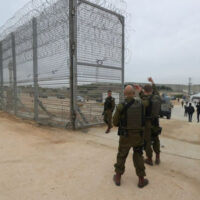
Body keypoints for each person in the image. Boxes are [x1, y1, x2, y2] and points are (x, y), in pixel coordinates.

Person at [113, 85, 149, 188]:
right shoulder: (142, 104)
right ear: (134, 94)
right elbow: (147, 101)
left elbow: (115, 123)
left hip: (125, 136)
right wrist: (141, 91)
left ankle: (118, 178)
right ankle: (141, 180)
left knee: (121, 155)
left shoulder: (121, 106)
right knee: (138, 156)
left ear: (124, 93)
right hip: (138, 137)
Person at [139, 78, 161, 166]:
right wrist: (153, 82)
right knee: (156, 139)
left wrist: (140, 91)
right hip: (156, 121)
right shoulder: (157, 98)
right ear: (151, 90)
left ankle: (149, 159)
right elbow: (156, 91)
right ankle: (158, 157)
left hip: (147, 123)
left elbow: (143, 97)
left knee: (147, 141)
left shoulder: (145, 100)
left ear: (144, 91)